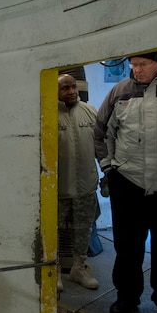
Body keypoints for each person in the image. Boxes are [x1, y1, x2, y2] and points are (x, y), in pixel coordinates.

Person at [94, 50, 157, 313]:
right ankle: (126, 297)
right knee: (127, 247)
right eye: (133, 65)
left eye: (143, 64)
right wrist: (109, 168)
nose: (137, 70)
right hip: (129, 183)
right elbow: (101, 133)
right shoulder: (120, 92)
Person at [57, 73, 100, 290]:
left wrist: (107, 174)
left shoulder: (90, 112)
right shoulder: (48, 114)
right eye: (65, 88)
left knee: (84, 229)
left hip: (86, 186)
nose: (72, 91)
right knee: (54, 231)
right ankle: (52, 272)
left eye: (73, 87)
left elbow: (101, 145)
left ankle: (78, 268)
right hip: (58, 189)